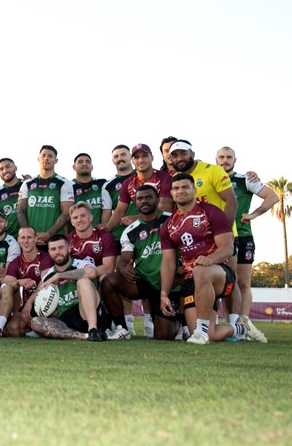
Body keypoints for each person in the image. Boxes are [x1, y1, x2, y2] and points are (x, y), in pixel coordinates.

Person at [160, 174, 264, 344]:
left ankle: (200, 332)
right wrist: (163, 294)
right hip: (191, 280)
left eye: (185, 187)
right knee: (213, 335)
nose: (181, 191)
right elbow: (168, 262)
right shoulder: (169, 225)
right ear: (171, 193)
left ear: (194, 190)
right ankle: (241, 328)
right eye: (176, 188)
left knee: (200, 269)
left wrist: (211, 259)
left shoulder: (211, 212)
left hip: (219, 274)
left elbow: (228, 248)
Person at [99, 185, 180, 340]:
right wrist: (123, 268)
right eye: (140, 198)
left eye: (148, 197)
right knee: (109, 281)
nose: (144, 201)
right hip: (144, 281)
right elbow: (124, 258)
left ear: (157, 200)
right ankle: (122, 329)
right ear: (135, 203)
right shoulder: (130, 230)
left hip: (170, 283)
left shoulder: (172, 220)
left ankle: (180, 321)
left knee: (163, 337)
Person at [216, 146, 278, 332]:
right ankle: (223, 323)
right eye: (221, 157)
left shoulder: (245, 179)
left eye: (229, 157)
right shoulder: (211, 179)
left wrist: (254, 214)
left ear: (235, 160)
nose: (225, 160)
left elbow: (272, 196)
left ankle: (242, 324)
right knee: (221, 282)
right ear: (216, 159)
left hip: (242, 236)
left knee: (242, 282)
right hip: (218, 238)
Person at [29, 235, 110, 341]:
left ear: (69, 248)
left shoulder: (81, 264)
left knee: (83, 281)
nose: (57, 252)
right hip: (66, 321)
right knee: (35, 322)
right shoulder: (48, 275)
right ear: (49, 252)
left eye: (61, 247)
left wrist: (59, 276)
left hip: (86, 314)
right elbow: (41, 299)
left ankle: (93, 330)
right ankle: (84, 336)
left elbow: (91, 272)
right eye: (53, 249)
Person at [105, 143, 173, 233]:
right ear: (132, 160)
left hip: (165, 226)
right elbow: (119, 212)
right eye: (136, 157)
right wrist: (105, 231)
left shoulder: (164, 177)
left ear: (152, 157)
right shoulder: (128, 183)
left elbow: (165, 207)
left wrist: (137, 218)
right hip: (142, 231)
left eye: (144, 156)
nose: (140, 160)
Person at [16, 145, 74, 247]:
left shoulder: (64, 183)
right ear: (38, 159)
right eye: (43, 155)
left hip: (55, 241)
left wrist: (49, 234)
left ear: (56, 160)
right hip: (31, 242)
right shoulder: (27, 184)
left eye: (50, 156)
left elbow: (67, 213)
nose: (46, 158)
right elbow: (21, 210)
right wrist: (29, 235)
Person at [3, 226, 54, 337]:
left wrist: (30, 302)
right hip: (27, 308)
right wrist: (19, 282)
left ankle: (39, 329)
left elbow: (46, 282)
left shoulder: (46, 258)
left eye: (29, 237)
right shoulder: (15, 262)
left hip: (46, 304)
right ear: (18, 240)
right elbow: (6, 284)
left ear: (36, 239)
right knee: (13, 328)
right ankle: (35, 331)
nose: (26, 241)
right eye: (23, 238)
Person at [71, 153, 111, 227]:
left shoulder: (102, 184)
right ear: (74, 167)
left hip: (99, 234)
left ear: (92, 166)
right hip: (77, 235)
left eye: (88, 162)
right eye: (80, 162)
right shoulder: (69, 186)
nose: (84, 164)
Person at [0, 158, 25, 237]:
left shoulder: (27, 184)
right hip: (10, 240)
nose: (5, 171)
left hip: (29, 237)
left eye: (8, 167)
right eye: (1, 169)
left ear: (15, 168)